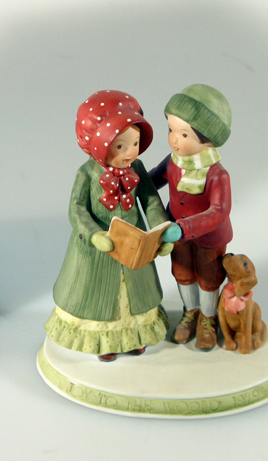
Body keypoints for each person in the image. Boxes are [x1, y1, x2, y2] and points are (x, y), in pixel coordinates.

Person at [45, 90, 180, 362]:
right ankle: (103, 340)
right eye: (120, 147)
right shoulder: (86, 174)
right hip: (97, 250)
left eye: (135, 144)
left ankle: (134, 337)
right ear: (98, 144)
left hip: (133, 244)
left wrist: (160, 231)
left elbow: (150, 201)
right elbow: (76, 210)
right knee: (98, 294)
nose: (130, 152)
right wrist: (95, 235)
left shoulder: (137, 168)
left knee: (136, 290)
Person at [150, 84, 232, 352]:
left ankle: (208, 318)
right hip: (177, 233)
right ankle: (191, 311)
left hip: (208, 237)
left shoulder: (217, 174)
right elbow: (154, 179)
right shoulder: (173, 161)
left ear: (206, 139)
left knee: (208, 278)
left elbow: (219, 211)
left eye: (184, 134)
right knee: (183, 273)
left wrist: (184, 227)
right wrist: (132, 182)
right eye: (171, 130)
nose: (174, 140)